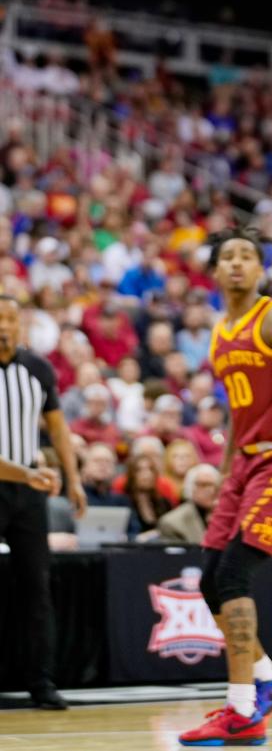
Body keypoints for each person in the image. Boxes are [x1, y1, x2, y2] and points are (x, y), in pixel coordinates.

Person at [178, 230, 272, 747]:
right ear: (214, 271)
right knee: (209, 580)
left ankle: (243, 708)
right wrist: (223, 469)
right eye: (228, 257)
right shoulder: (219, 333)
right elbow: (241, 414)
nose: (238, 264)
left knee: (236, 572)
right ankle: (268, 679)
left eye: (247, 257)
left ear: (260, 270)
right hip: (243, 465)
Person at [0, 294, 86, 709]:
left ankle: (41, 681)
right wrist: (30, 474)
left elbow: (58, 429)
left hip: (29, 493)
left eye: (10, 320)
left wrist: (74, 480)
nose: (3, 326)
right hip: (24, 476)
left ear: (22, 326)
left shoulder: (38, 368)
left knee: (37, 587)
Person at [156, 464, 221, 545]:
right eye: (203, 485)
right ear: (190, 488)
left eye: (215, 486)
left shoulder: (227, 517)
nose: (211, 490)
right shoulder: (173, 523)